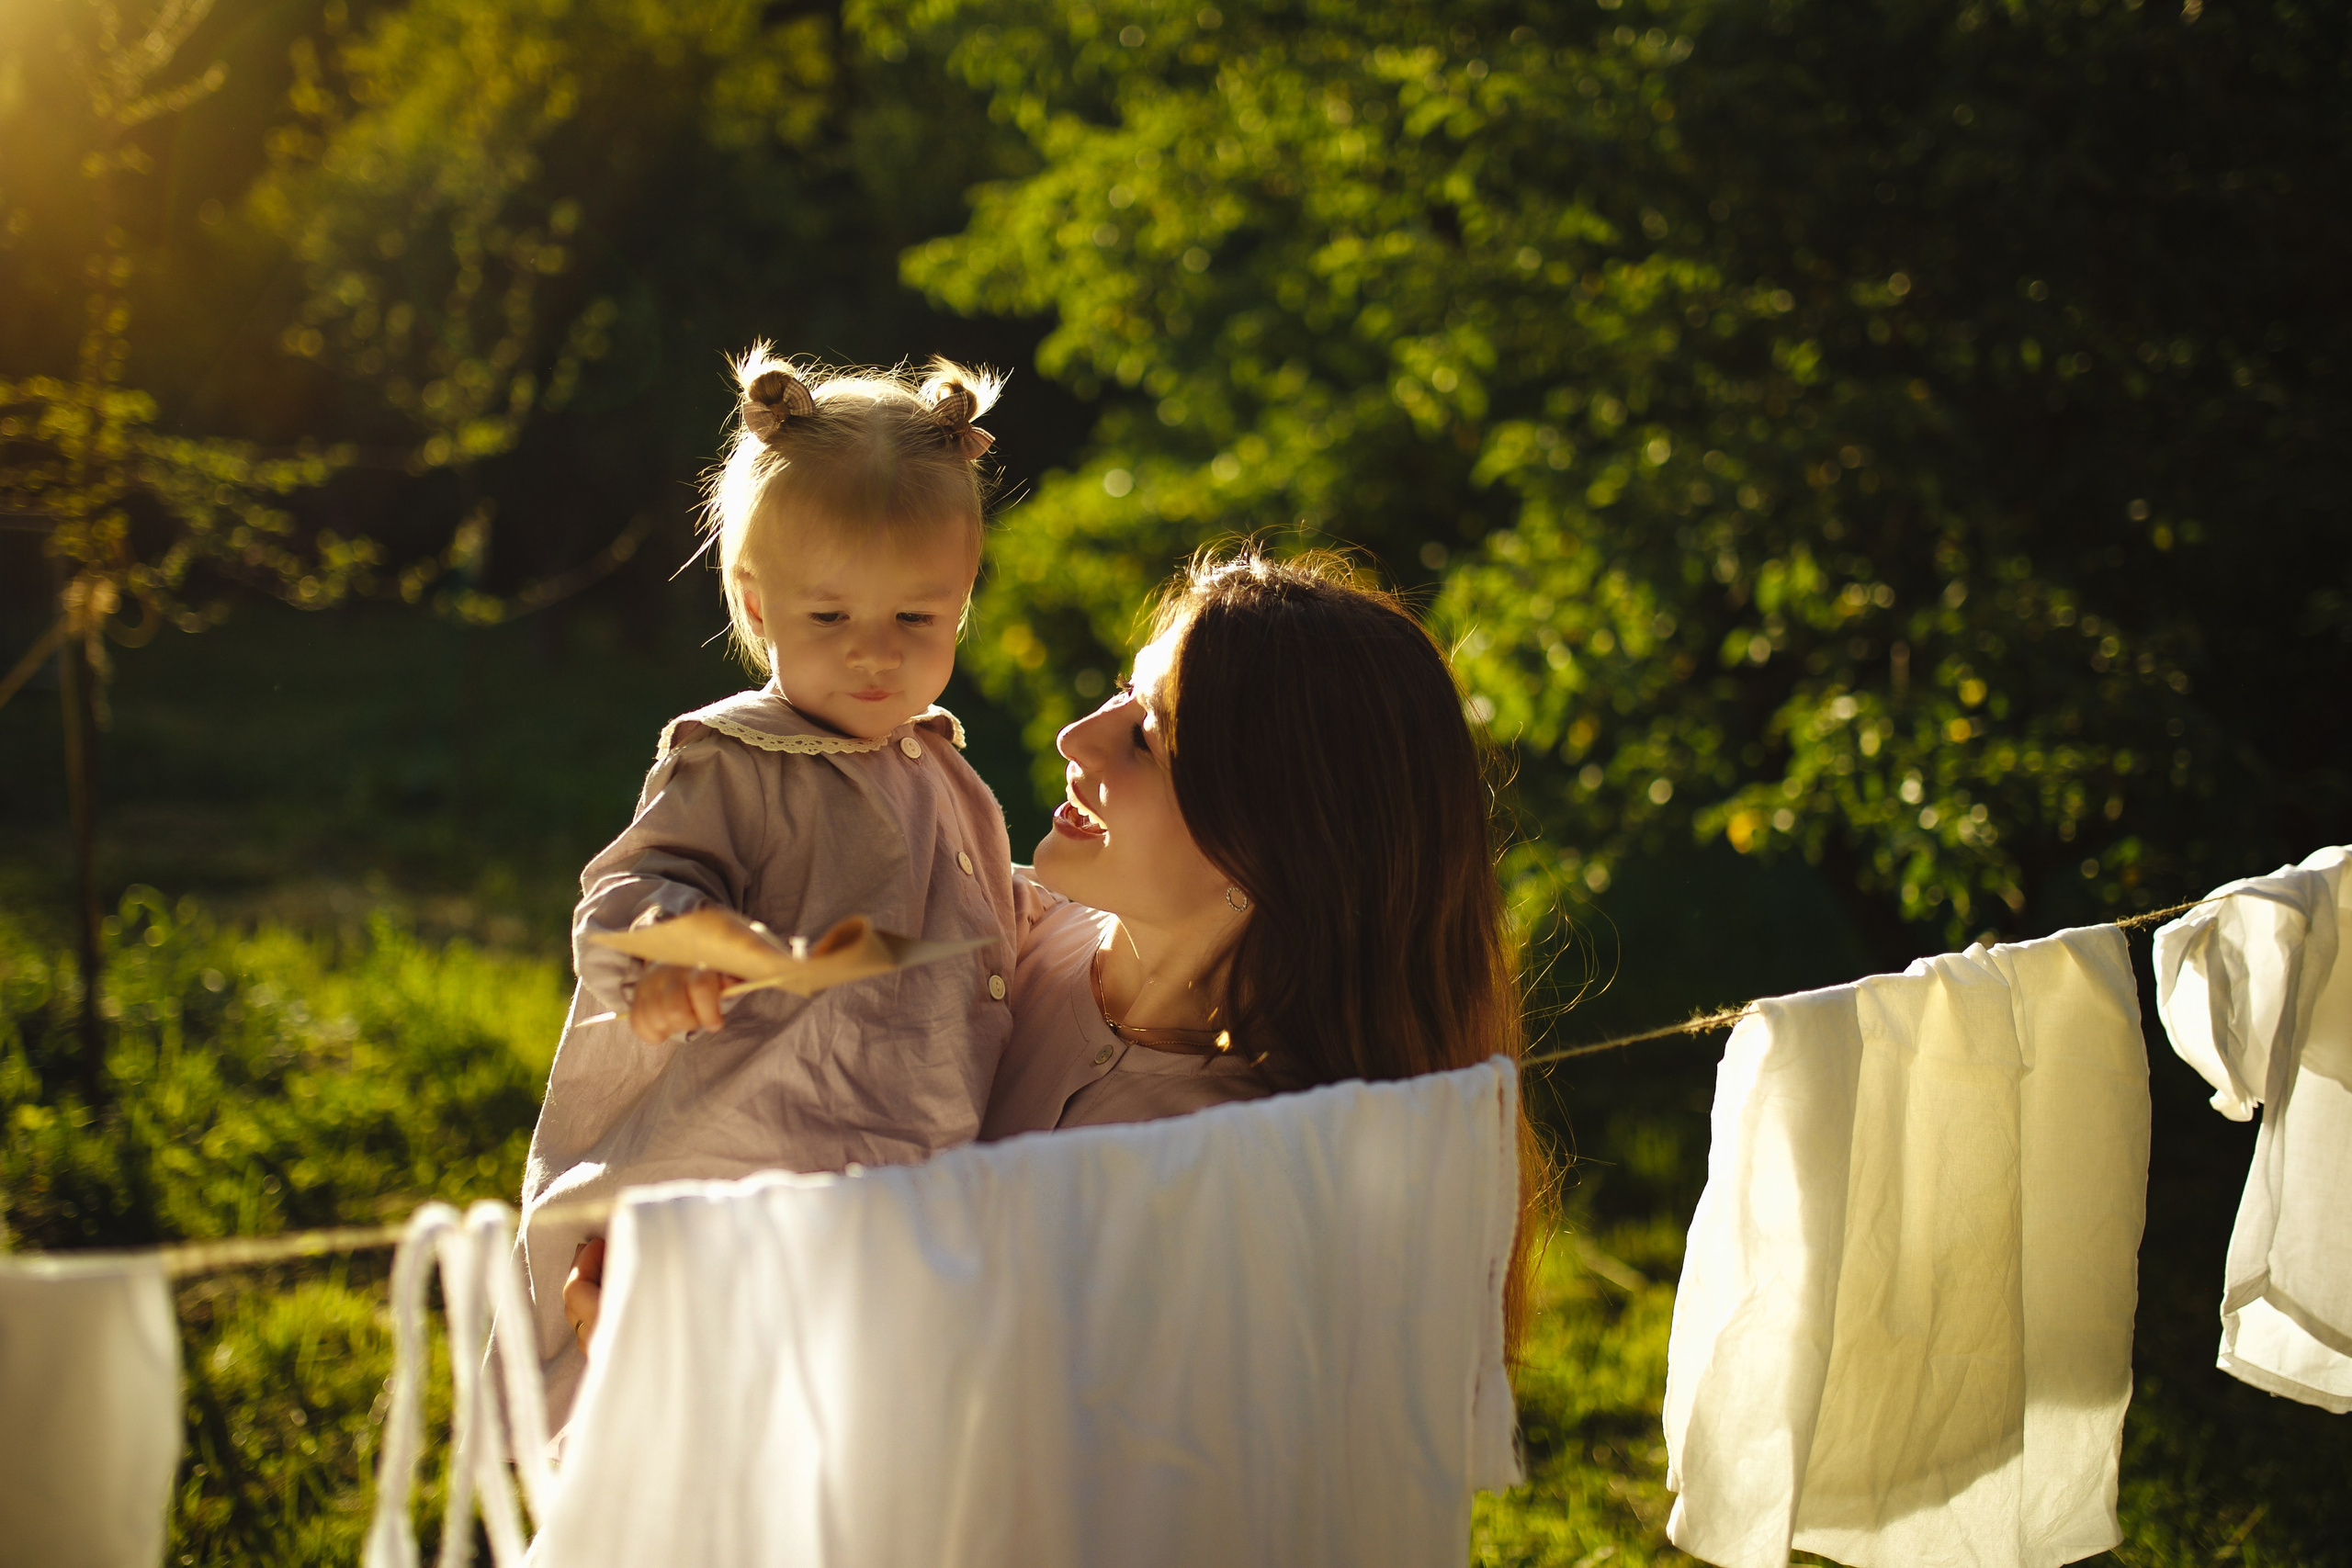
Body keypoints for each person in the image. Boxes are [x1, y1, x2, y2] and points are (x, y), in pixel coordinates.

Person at [520, 348, 1026, 1421]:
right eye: (830, 619)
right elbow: (635, 884)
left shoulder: (945, 773)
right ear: (756, 603)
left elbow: (991, 921)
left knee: (848, 1458)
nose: (874, 657)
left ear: (962, 601)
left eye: (916, 621)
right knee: (700, 1453)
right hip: (731, 1195)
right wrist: (670, 954)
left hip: (897, 1215)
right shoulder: (734, 760)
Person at [986, 548, 1545, 1348]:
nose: (1076, 737)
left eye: (1147, 737)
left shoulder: (1252, 1180)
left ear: (1268, 845)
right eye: (1122, 692)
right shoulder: (1001, 936)